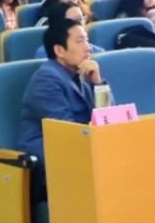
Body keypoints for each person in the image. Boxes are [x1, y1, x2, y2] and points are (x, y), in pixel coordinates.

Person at [16, 19, 110, 202]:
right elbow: (66, 135)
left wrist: (98, 83)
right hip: (52, 163)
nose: (88, 48)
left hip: (79, 153)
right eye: (80, 41)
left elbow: (110, 119)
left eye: (87, 40)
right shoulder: (47, 80)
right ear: (59, 50)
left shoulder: (82, 74)